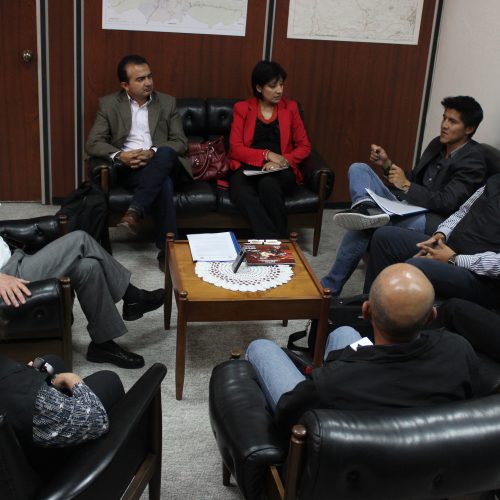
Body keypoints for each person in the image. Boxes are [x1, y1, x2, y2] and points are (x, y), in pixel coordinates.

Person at [246, 264, 482, 437]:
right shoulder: (459, 350)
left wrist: (328, 376)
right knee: (343, 332)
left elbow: (286, 417)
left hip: (347, 469)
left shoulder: (331, 384)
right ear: (432, 316)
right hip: (424, 464)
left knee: (261, 347)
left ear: (366, 311)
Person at [321, 96, 485, 295]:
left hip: (433, 220)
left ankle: (329, 288)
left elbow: (447, 202)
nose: (444, 125)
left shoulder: (473, 160)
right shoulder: (437, 145)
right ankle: (364, 207)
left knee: (363, 228)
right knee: (358, 168)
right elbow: (414, 178)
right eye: (444, 118)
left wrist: (407, 185)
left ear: (469, 129)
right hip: (406, 205)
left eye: (452, 121)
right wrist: (387, 164)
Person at [0, 230, 164, 368]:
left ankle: (103, 344)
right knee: (80, 239)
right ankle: (133, 296)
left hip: (15, 260)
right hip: (9, 274)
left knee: (88, 267)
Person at [86, 54, 190, 270]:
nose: (148, 83)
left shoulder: (167, 102)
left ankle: (134, 211)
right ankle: (168, 252)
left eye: (149, 77)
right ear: (125, 85)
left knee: (164, 153)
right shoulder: (109, 104)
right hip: (131, 167)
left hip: (165, 163)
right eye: (140, 79)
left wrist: (152, 152)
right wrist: (120, 155)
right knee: (163, 183)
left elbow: (180, 142)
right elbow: (93, 143)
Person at [364, 173, 500, 308]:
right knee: (385, 237)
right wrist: (442, 234)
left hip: (481, 277)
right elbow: (463, 212)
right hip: (450, 248)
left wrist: (454, 259)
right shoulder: (494, 180)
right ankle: (369, 310)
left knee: (416, 266)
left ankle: (392, 317)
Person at [227, 60, 311, 238]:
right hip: (247, 167)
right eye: (273, 86)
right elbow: (235, 148)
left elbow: (304, 146)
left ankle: (274, 241)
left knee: (268, 185)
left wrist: (282, 161)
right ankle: (277, 239)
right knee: (242, 192)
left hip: (280, 169)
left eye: (281, 85)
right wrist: (267, 155)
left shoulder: (291, 108)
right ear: (259, 87)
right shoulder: (242, 108)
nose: (279, 90)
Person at [0, 354, 124, 450]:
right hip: (30, 458)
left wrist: (25, 374)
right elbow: (97, 419)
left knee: (53, 361)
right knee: (108, 379)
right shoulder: (28, 398)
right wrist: (70, 378)